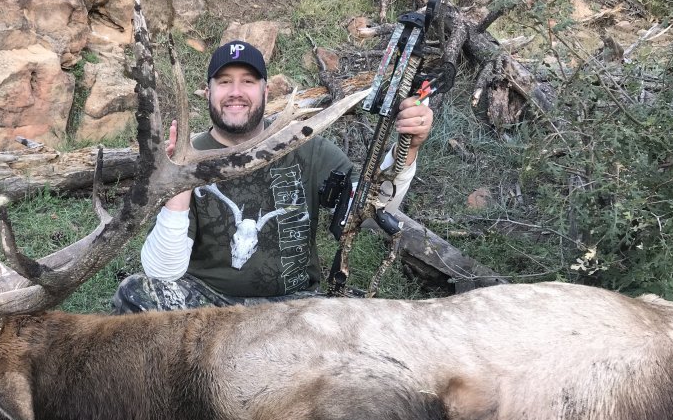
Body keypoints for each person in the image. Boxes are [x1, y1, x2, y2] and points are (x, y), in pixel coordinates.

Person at [112, 40, 434, 313]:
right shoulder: (188, 154)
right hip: (209, 310)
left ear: (265, 91)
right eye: (224, 82)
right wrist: (179, 186)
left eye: (248, 81)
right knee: (135, 293)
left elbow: (367, 211)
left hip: (293, 309)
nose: (235, 92)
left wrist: (408, 150)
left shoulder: (304, 145)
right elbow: (161, 273)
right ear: (208, 91)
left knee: (368, 318)